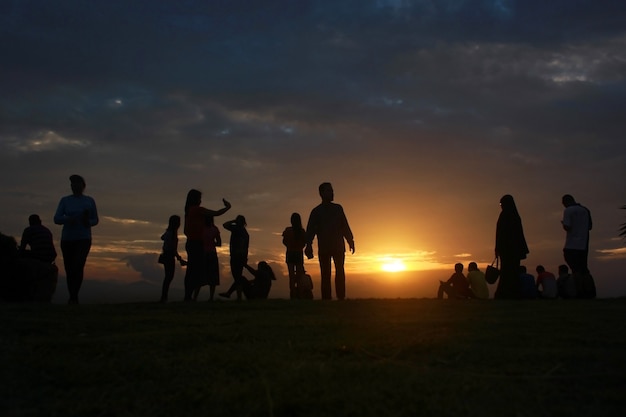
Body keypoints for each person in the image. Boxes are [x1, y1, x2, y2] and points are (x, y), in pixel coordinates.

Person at [305, 182, 355, 300]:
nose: (332, 193)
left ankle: (341, 297)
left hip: (337, 246)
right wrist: (308, 245)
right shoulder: (316, 212)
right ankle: (326, 299)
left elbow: (344, 226)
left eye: (332, 190)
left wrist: (350, 240)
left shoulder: (338, 208)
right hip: (324, 248)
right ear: (321, 193)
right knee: (325, 275)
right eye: (329, 191)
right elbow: (310, 230)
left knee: (340, 272)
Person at [54, 174, 99, 304]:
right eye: (73, 184)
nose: (75, 186)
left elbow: (95, 219)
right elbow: (56, 218)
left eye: (77, 184)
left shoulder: (89, 201)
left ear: (83, 186)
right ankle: (72, 295)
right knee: (69, 267)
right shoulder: (65, 200)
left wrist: (87, 221)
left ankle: (74, 296)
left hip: (83, 237)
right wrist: (69, 219)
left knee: (78, 265)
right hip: (68, 238)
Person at [183, 190, 231, 301]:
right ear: (196, 199)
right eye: (199, 198)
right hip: (196, 243)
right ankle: (188, 296)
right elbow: (217, 213)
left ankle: (188, 296)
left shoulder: (188, 211)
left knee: (191, 270)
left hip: (191, 242)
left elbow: (185, 231)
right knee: (195, 271)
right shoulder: (198, 210)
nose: (201, 201)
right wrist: (227, 207)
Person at [494, 194, 529, 299]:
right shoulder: (515, 216)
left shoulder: (505, 215)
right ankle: (514, 293)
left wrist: (497, 248)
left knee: (506, 271)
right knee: (513, 271)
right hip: (515, 250)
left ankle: (504, 293)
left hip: (506, 250)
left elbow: (501, 234)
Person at [561, 194, 595, 298]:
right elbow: (590, 227)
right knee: (584, 269)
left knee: (575, 270)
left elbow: (567, 227)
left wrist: (563, 223)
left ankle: (579, 292)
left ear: (565, 202)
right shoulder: (585, 210)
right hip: (584, 245)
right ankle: (589, 293)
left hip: (571, 244)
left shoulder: (568, 210)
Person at [220, 215, 249, 300]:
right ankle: (234, 295)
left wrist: (233, 221)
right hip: (241, 256)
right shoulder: (245, 233)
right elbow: (246, 247)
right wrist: (245, 258)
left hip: (236, 256)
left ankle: (237, 296)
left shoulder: (236, 229)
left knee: (237, 277)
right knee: (238, 277)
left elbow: (225, 225)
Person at [159, 215, 186, 303]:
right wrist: (180, 259)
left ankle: (164, 297)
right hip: (169, 256)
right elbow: (173, 249)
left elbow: (162, 238)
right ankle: (164, 297)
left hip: (166, 255)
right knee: (169, 277)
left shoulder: (169, 232)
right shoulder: (172, 234)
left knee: (168, 277)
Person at [193, 215, 221, 301]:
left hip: (204, 254)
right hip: (210, 253)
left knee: (201, 276)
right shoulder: (214, 229)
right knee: (211, 277)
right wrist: (212, 243)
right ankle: (210, 297)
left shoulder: (201, 229)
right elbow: (219, 243)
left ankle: (195, 297)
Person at [282, 212, 307, 299]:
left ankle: (292, 294)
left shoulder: (288, 230)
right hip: (299, 253)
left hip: (290, 253)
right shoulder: (302, 231)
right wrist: (299, 247)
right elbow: (305, 242)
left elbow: (284, 241)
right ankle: (299, 295)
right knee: (299, 276)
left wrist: (289, 246)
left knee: (291, 276)